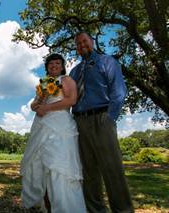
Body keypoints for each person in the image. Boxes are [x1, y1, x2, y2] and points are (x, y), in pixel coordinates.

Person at [69, 32, 134, 213]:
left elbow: (119, 92)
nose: (81, 45)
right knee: (89, 173)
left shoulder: (107, 62)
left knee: (112, 169)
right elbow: (68, 97)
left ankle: (123, 210)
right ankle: (95, 210)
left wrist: (109, 118)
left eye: (84, 41)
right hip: (80, 122)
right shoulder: (74, 72)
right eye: (78, 44)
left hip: (102, 118)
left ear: (92, 42)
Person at [20, 53, 86, 213]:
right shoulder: (43, 83)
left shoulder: (67, 80)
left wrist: (47, 108)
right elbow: (34, 104)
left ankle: (65, 207)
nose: (54, 66)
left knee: (58, 164)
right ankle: (46, 204)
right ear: (47, 67)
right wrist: (38, 103)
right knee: (38, 163)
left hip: (60, 126)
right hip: (41, 126)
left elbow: (71, 100)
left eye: (57, 63)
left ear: (62, 66)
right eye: (51, 64)